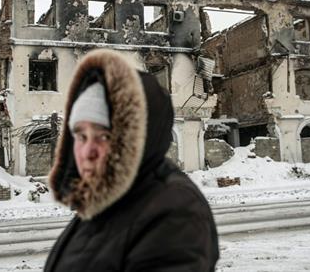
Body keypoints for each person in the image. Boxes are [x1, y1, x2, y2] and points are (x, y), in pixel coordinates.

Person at [44, 49, 219, 271]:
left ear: (136, 139)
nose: (87, 151)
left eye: (104, 136)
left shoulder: (174, 212)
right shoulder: (103, 200)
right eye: (80, 136)